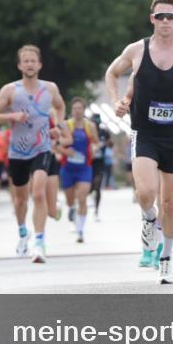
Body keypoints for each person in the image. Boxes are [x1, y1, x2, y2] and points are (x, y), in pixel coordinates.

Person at [106, 0, 173, 284]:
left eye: (171, 16)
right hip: (145, 132)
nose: (165, 21)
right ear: (152, 19)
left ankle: (166, 258)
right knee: (146, 193)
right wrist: (116, 101)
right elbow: (112, 73)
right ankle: (148, 219)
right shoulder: (137, 50)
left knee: (171, 203)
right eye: (160, 16)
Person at [0, 45, 69, 263]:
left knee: (38, 193)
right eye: (25, 61)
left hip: (42, 148)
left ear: (39, 65)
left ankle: (39, 243)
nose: (29, 64)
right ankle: (23, 233)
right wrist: (12, 115)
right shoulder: (10, 90)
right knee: (20, 200)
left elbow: (60, 107)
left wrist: (58, 127)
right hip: (17, 152)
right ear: (19, 65)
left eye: (33, 60)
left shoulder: (50, 88)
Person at [60, 97, 99, 242]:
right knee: (70, 200)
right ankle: (71, 210)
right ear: (71, 110)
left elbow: (96, 142)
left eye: (80, 108)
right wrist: (65, 152)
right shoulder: (65, 126)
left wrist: (94, 148)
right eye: (74, 108)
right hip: (68, 168)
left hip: (84, 168)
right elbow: (56, 145)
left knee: (82, 198)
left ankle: (80, 230)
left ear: (84, 110)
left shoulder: (90, 126)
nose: (77, 111)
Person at [88, 113, 112, 221]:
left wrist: (107, 143)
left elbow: (111, 143)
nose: (96, 124)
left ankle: (96, 211)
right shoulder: (87, 132)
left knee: (98, 185)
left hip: (100, 162)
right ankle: (90, 197)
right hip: (89, 162)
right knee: (90, 186)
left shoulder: (104, 132)